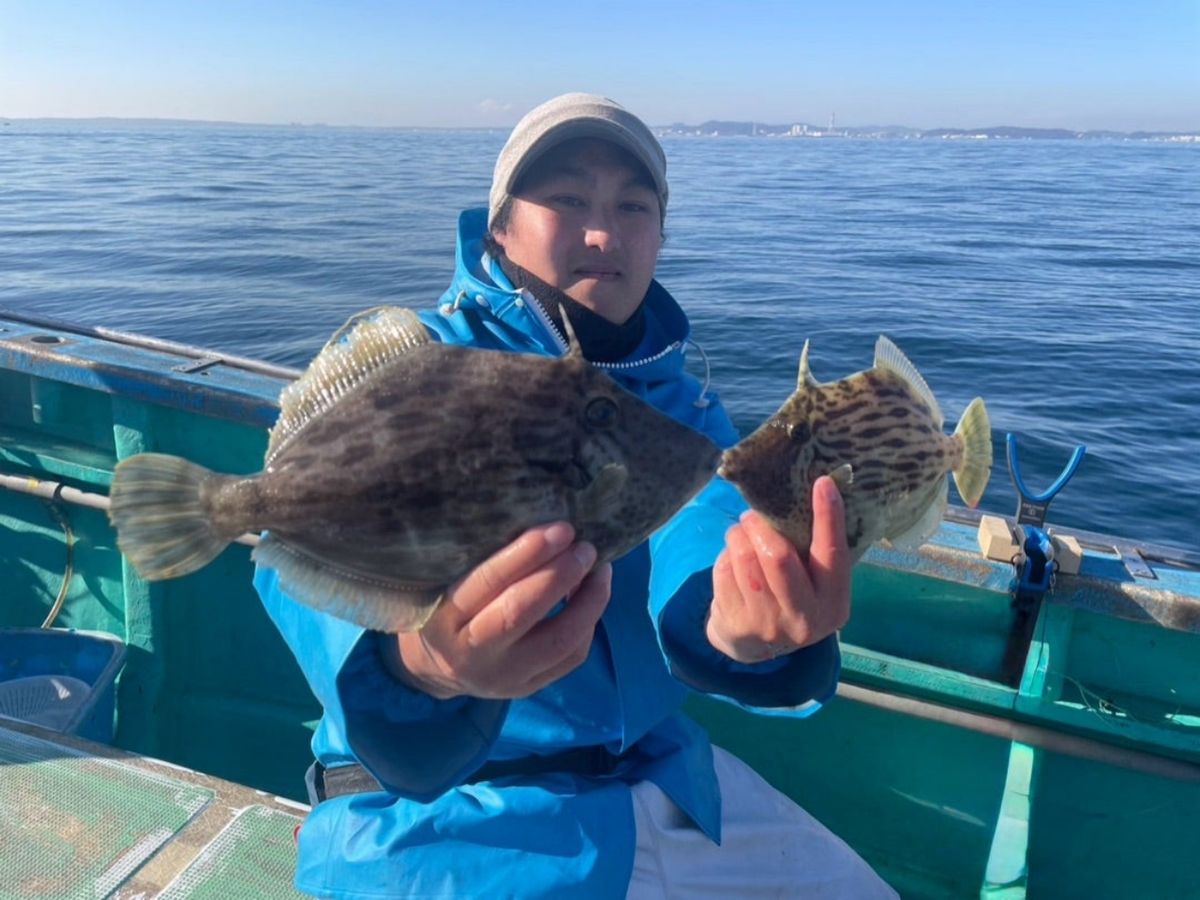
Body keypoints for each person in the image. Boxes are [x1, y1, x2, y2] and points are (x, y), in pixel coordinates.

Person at [256, 92, 896, 898]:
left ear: (660, 235)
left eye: (633, 206)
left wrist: (739, 621)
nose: (604, 233)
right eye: (567, 199)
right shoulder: (428, 366)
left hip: (661, 786)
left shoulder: (683, 407)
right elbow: (301, 544)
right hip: (440, 818)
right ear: (499, 227)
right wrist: (423, 666)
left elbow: (698, 524)